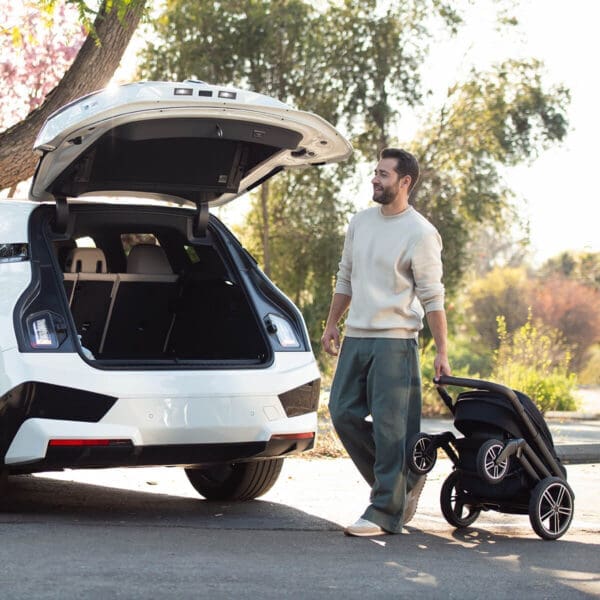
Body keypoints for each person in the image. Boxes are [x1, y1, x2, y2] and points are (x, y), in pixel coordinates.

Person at [321, 147, 451, 536]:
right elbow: (345, 276)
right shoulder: (360, 223)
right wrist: (332, 324)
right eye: (375, 172)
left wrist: (442, 351)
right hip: (356, 336)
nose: (375, 179)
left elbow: (433, 297)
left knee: (391, 429)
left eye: (383, 174)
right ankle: (402, 481)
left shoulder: (421, 233)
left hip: (395, 342)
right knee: (341, 412)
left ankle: (384, 511)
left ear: (405, 182)